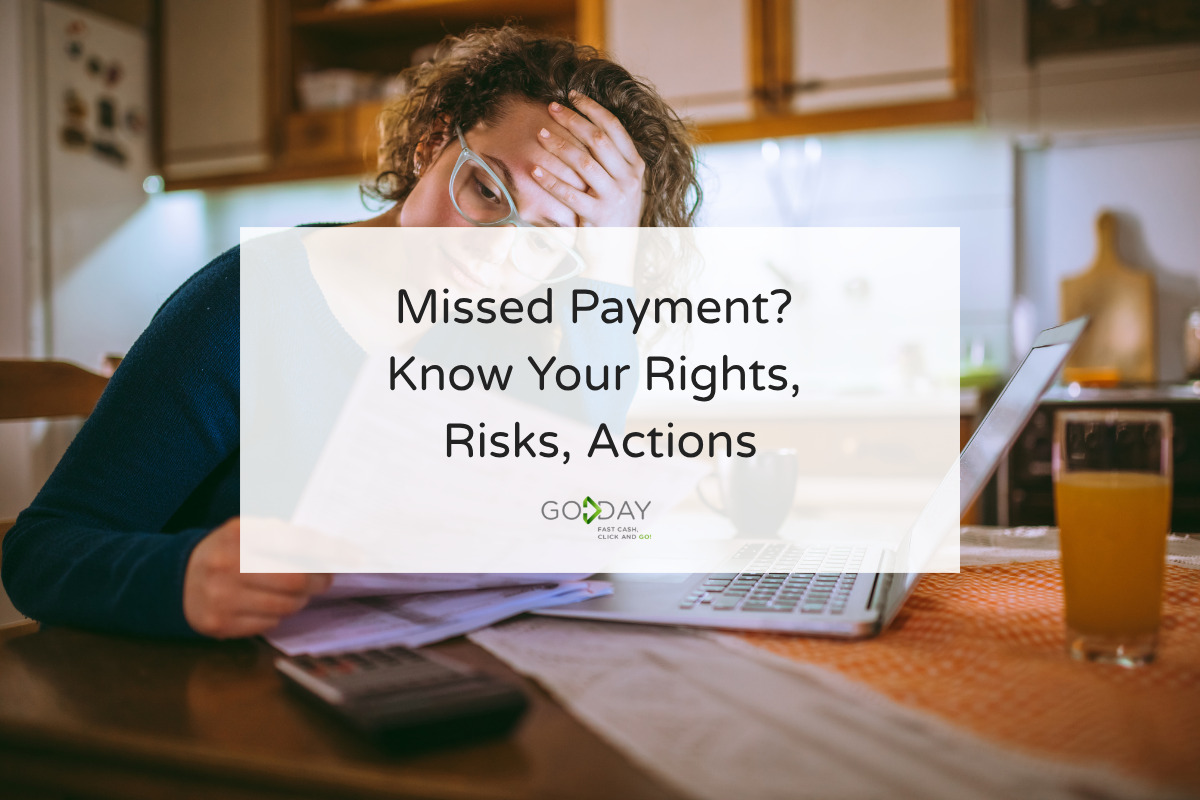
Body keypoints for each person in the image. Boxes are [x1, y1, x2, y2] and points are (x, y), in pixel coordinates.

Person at [1, 26, 702, 639]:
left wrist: (610, 266)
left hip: (388, 676)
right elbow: (41, 552)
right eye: (488, 190)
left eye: (547, 239)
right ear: (434, 142)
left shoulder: (514, 332)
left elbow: (570, 519)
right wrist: (181, 577)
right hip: (206, 700)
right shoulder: (248, 299)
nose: (496, 251)